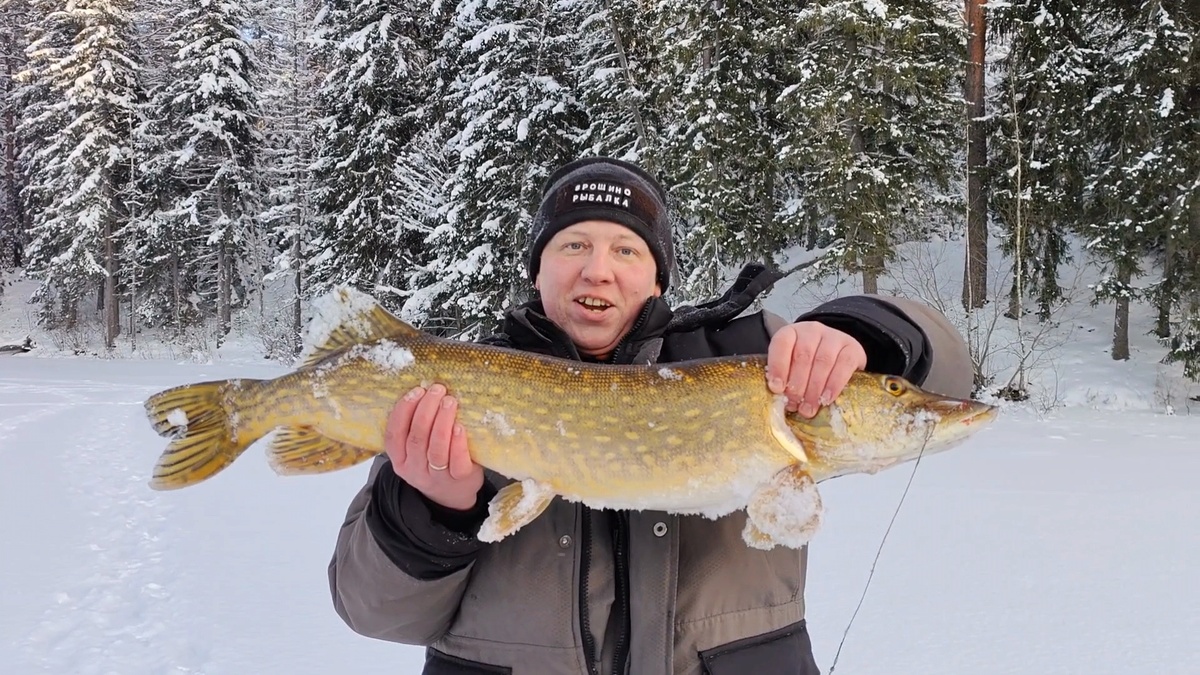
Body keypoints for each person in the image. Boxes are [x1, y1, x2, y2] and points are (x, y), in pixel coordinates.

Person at [328, 157, 973, 674]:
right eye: (572, 244)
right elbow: (374, 613)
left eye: (627, 251)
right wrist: (434, 511)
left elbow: (949, 368)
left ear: (658, 278)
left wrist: (861, 336)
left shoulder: (759, 362)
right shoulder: (461, 385)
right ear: (539, 270)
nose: (597, 270)